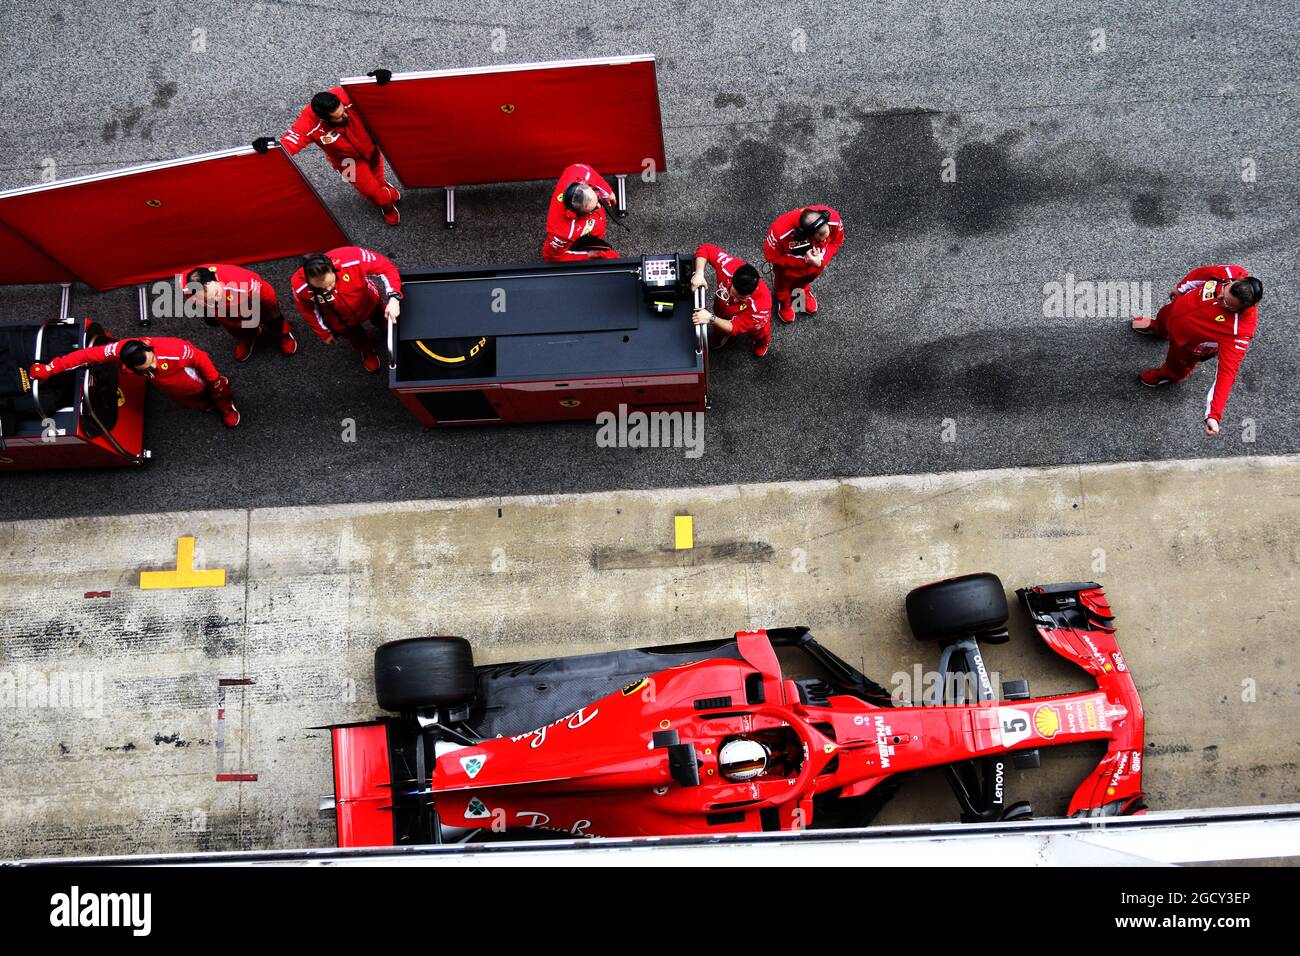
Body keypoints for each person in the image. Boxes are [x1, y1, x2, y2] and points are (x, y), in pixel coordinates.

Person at [1131, 265, 1264, 436]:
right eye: (1223, 292)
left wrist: (1213, 415)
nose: (1219, 299)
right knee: (1164, 317)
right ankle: (1158, 327)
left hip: (1188, 347)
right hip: (1174, 312)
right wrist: (1181, 289)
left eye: (1227, 304)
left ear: (1242, 309)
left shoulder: (1240, 331)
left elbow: (1227, 373)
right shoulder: (1230, 273)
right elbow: (1201, 274)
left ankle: (1167, 375)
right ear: (1235, 282)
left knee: (1176, 365)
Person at [261, 81, 400, 225]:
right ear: (323, 119)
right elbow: (287, 145)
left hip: (371, 150)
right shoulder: (309, 124)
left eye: (344, 111)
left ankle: (385, 189)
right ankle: (387, 205)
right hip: (347, 164)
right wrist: (267, 148)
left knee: (379, 179)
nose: (345, 116)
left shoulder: (347, 95)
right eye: (338, 117)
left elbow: (372, 88)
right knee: (371, 192)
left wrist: (383, 80)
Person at [29, 337, 239, 427]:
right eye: (146, 368)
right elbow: (85, 356)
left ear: (149, 348)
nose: (153, 366)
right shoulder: (119, 350)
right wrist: (51, 368)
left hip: (192, 379)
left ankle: (226, 407)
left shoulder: (176, 350)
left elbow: (201, 357)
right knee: (188, 401)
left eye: (153, 360)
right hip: (170, 387)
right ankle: (204, 402)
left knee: (216, 389)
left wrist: (215, 381)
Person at [290, 246, 402, 373]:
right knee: (359, 340)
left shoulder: (353, 257)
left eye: (330, 284)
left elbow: (386, 268)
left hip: (369, 302)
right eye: (320, 287)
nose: (327, 289)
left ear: (333, 269)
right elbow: (307, 311)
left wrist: (394, 298)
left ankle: (384, 326)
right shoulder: (299, 286)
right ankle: (367, 352)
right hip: (342, 321)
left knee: (382, 318)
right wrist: (324, 333)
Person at [181, 264, 297, 362]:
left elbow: (269, 298)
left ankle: (284, 335)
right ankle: (248, 338)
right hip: (225, 316)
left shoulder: (245, 283)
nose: (215, 300)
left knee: (269, 319)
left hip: (251, 308)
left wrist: (277, 318)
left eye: (216, 293)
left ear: (216, 278)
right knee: (235, 329)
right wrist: (207, 314)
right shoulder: (188, 288)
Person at [763, 206, 845, 323]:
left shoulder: (834, 219)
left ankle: (802, 293)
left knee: (803, 283)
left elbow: (837, 241)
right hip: (787, 271)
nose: (823, 242)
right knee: (783, 287)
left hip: (813, 269)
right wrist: (804, 261)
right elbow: (771, 257)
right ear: (803, 235)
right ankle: (784, 302)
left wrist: (820, 262)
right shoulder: (780, 231)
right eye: (818, 240)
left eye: (827, 234)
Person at [690, 243, 773, 357]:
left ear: (751, 293)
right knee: (719, 326)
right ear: (732, 279)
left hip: (753, 324)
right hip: (722, 311)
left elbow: (735, 327)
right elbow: (706, 249)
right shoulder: (728, 267)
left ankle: (762, 344)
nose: (734, 299)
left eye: (741, 298)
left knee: (760, 333)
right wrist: (699, 274)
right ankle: (721, 334)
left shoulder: (761, 305)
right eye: (733, 292)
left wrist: (710, 318)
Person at [542, 162, 620, 261]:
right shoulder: (562, 234)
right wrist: (588, 255)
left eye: (596, 197)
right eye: (594, 209)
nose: (600, 205)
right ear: (577, 213)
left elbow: (591, 173)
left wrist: (607, 192)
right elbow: (551, 257)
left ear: (583, 184)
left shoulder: (578, 171)